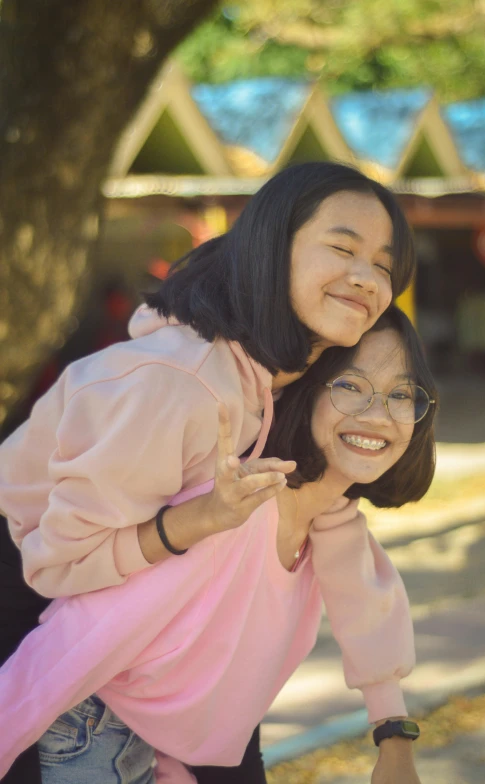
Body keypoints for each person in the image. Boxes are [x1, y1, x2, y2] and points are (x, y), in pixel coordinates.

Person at [0, 162, 415, 783]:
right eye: (342, 248)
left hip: (142, 640)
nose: (367, 278)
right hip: (32, 590)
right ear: (274, 249)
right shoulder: (183, 384)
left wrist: (392, 728)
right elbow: (59, 567)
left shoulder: (282, 379)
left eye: (384, 265)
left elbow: (344, 548)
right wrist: (194, 523)